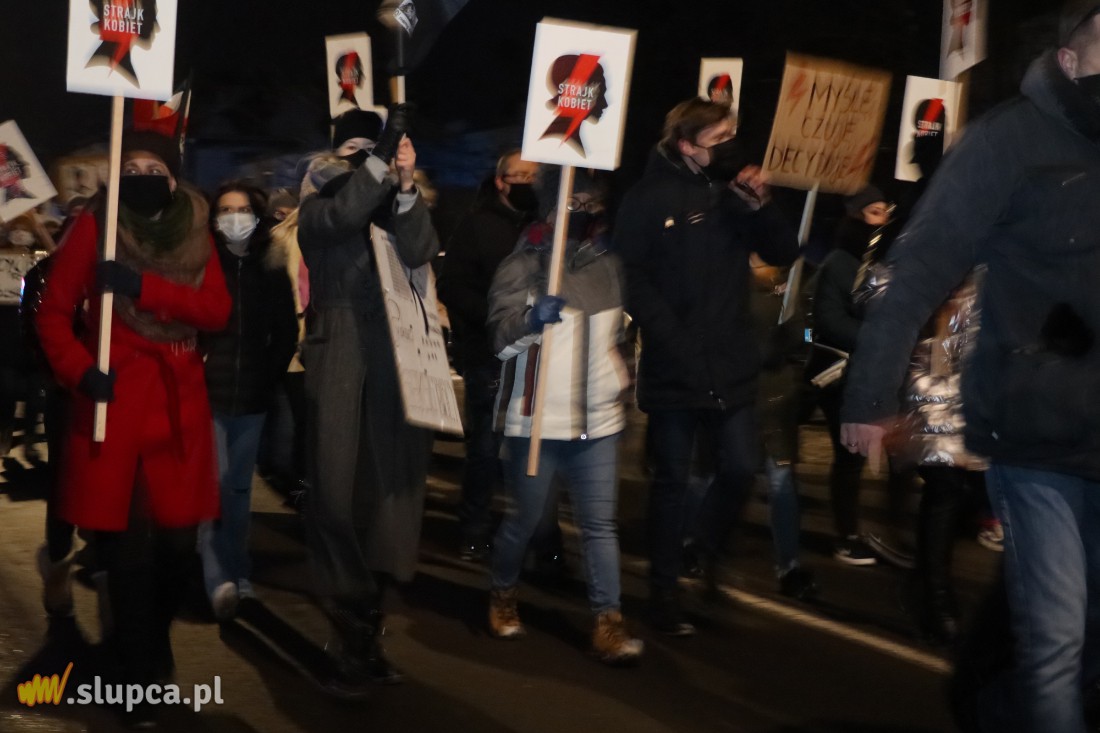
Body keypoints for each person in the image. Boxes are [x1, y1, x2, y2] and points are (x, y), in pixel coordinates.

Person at [841, 4, 1100, 729]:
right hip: (1036, 428)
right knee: (1055, 638)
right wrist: (869, 394)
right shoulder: (1009, 139)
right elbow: (917, 268)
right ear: (1071, 60)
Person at [36, 130, 230, 726]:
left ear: (173, 178)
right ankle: (138, 674)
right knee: (128, 551)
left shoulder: (199, 228)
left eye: (155, 166)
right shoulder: (95, 228)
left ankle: (141, 646)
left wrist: (145, 287)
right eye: (134, 165)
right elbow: (51, 313)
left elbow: (216, 311)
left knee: (176, 547)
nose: (145, 173)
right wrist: (79, 372)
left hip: (178, 407)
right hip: (115, 403)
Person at [614, 98, 799, 635]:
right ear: (686, 145)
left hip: (732, 365)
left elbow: (783, 249)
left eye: (732, 136)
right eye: (718, 139)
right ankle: (664, 592)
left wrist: (762, 204)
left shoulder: (733, 194)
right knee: (672, 480)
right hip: (675, 367)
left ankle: (704, 546)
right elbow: (634, 278)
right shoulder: (647, 198)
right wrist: (672, 340)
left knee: (741, 467)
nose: (730, 147)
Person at [297, 105, 439, 694]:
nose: (365, 154)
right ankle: (347, 611)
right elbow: (341, 217)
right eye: (356, 145)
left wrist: (406, 186)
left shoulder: (398, 197)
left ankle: (366, 627)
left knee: (390, 486)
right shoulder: (319, 198)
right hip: (341, 344)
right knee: (334, 483)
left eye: (374, 145)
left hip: (399, 351)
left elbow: (422, 248)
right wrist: (381, 161)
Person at [485, 168, 643, 664]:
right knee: (525, 522)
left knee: (600, 526)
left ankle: (608, 621)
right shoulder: (521, 265)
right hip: (536, 420)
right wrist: (531, 321)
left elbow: (621, 337)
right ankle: (503, 593)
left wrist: (621, 375)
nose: (586, 211)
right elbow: (500, 340)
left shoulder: (610, 265)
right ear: (552, 208)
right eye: (577, 201)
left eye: (594, 202)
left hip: (596, 422)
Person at [437, 149, 564, 564]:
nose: (528, 183)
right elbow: (453, 286)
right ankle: (474, 529)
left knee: (537, 450)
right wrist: (498, 321)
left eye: (534, 176)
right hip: (488, 356)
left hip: (540, 355)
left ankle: (542, 537)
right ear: (500, 181)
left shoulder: (548, 229)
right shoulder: (476, 226)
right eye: (519, 176)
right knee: (487, 449)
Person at [198, 181, 297, 620]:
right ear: (214, 217)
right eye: (226, 209)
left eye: (242, 209)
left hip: (252, 397)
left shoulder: (270, 267)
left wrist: (269, 374)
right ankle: (214, 575)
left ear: (256, 216)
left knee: (238, 491)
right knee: (213, 487)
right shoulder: (202, 263)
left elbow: (286, 331)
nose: (234, 217)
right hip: (207, 394)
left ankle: (239, 573)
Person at [808, 185, 890, 566]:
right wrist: (875, 339)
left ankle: (856, 530)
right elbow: (828, 319)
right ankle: (846, 536)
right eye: (874, 212)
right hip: (838, 373)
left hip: (867, 370)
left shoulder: (882, 261)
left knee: (857, 453)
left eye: (884, 210)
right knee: (850, 452)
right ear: (857, 217)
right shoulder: (839, 262)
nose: (883, 218)